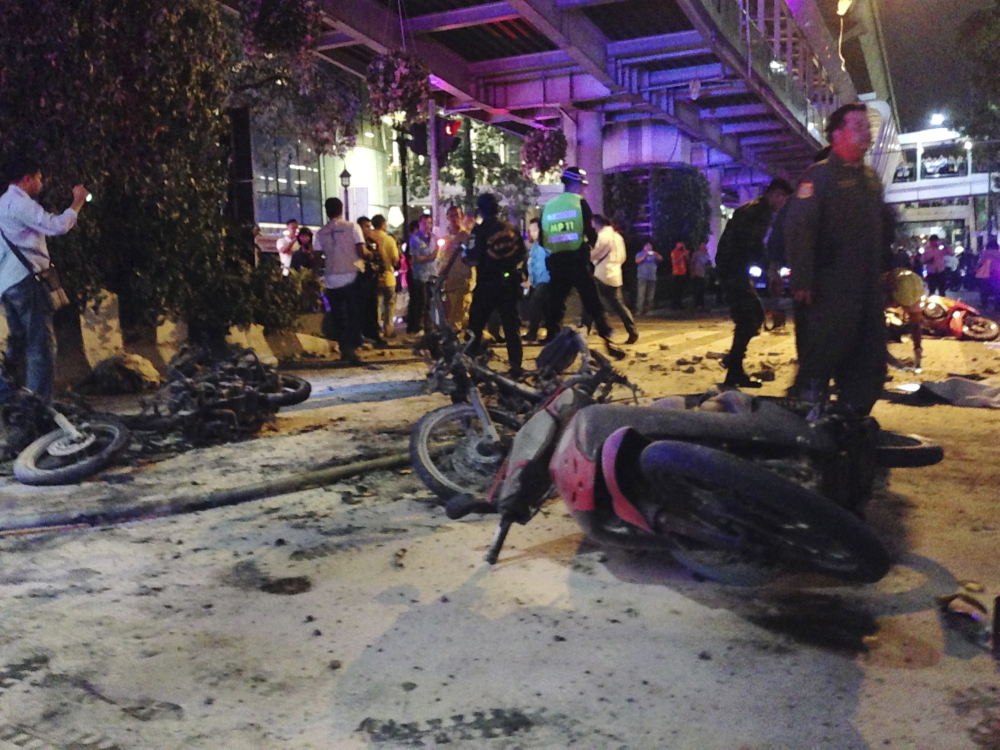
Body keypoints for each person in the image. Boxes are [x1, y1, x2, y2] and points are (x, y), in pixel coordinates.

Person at [784, 101, 893, 415]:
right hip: (829, 291)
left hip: (868, 293)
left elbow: (884, 230)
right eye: (857, 126)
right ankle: (804, 426)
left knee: (870, 362)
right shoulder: (818, 177)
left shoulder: (871, 181)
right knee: (820, 359)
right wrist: (802, 278)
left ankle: (851, 422)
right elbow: (799, 228)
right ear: (837, 135)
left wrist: (888, 273)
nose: (866, 132)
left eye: (867, 126)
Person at [0, 157, 89, 399]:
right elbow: (57, 226)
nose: (41, 183)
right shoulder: (21, 204)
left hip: (7, 285)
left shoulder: (2, 204)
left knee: (17, 343)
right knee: (42, 345)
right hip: (27, 282)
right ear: (27, 179)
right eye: (38, 178)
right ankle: (38, 405)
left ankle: (6, 396)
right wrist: (77, 202)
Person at [715, 178, 794, 387]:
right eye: (783, 200)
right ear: (776, 195)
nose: (782, 205)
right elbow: (754, 245)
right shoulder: (759, 212)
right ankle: (733, 366)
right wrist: (769, 271)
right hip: (733, 269)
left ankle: (733, 366)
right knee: (751, 316)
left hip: (733, 268)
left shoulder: (756, 210)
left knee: (749, 317)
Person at [540, 166, 625, 360]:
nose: (584, 189)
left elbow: (543, 240)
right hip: (577, 261)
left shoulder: (549, 206)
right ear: (576, 183)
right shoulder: (580, 204)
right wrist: (588, 244)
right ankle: (606, 335)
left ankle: (552, 342)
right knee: (592, 300)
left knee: (555, 303)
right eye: (583, 185)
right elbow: (590, 232)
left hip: (556, 262)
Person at [463, 193, 526, 377]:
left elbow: (473, 258)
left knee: (475, 326)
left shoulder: (479, 230)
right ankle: (516, 367)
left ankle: (472, 367)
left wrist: (465, 257)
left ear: (480, 209)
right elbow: (522, 254)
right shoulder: (512, 228)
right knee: (511, 327)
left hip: (487, 284)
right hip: (510, 283)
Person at [315, 197, 366, 366]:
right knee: (354, 314)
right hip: (351, 275)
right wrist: (371, 254)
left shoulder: (321, 233)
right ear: (341, 209)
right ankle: (351, 348)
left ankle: (344, 348)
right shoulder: (352, 227)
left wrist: (317, 277)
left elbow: (318, 259)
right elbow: (361, 250)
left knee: (337, 316)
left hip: (330, 278)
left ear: (326, 210)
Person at [586, 214, 638, 344]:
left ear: (596, 223)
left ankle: (585, 332)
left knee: (590, 303)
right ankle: (632, 331)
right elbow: (623, 257)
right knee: (619, 305)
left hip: (602, 273)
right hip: (616, 274)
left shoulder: (602, 236)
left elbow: (592, 253)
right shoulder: (618, 237)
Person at [439, 205, 474, 330]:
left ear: (462, 217)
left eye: (457, 215)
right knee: (453, 314)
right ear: (447, 218)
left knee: (459, 315)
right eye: (451, 215)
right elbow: (441, 259)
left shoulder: (467, 237)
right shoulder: (446, 239)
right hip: (450, 282)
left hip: (463, 281)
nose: (454, 219)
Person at [356, 216, 388, 349]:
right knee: (361, 309)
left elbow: (380, 259)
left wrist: (381, 273)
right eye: (365, 226)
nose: (368, 229)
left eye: (369, 226)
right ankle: (362, 335)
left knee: (373, 307)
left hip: (372, 280)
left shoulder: (372, 242)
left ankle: (374, 334)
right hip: (359, 280)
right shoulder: (356, 243)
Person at [369, 214, 400, 339]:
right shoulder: (389, 239)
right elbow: (395, 258)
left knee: (376, 304)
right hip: (388, 277)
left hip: (373, 278)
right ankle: (388, 329)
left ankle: (376, 330)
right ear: (382, 224)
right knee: (390, 304)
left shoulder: (369, 237)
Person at [406, 214, 436, 335]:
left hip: (432, 274)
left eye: (429, 223)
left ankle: (429, 325)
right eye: (425, 223)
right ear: (420, 224)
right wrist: (429, 256)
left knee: (430, 300)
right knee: (421, 300)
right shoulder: (415, 238)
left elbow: (437, 253)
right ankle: (419, 325)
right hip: (420, 274)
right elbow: (415, 258)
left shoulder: (434, 238)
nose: (427, 225)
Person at [524, 218, 550, 342]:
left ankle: (533, 333)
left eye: (535, 229)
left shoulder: (547, 244)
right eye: (531, 230)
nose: (533, 232)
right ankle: (537, 333)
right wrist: (529, 280)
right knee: (542, 307)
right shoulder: (535, 245)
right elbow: (532, 264)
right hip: (537, 280)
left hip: (546, 279)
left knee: (535, 303)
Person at [635, 241, 662, 316]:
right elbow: (637, 261)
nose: (649, 248)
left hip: (652, 277)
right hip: (642, 277)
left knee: (650, 295)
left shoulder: (654, 255)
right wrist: (645, 256)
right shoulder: (640, 254)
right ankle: (639, 310)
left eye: (650, 247)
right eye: (647, 246)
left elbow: (661, 259)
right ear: (644, 247)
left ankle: (648, 310)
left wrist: (656, 254)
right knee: (641, 294)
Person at [690, 241, 712, 310]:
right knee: (697, 290)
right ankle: (696, 304)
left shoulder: (707, 254)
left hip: (703, 274)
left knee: (702, 290)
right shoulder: (696, 254)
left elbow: (708, 263)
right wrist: (692, 272)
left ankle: (701, 304)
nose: (703, 246)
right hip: (697, 273)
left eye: (704, 245)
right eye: (702, 245)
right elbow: (692, 263)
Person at [669, 241, 690, 310]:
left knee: (681, 290)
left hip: (682, 273)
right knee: (675, 290)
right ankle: (674, 305)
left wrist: (685, 253)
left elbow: (687, 259)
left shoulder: (682, 252)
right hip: (676, 273)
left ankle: (679, 304)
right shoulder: (674, 252)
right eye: (680, 244)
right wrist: (682, 255)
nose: (681, 245)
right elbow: (674, 261)